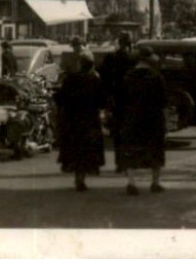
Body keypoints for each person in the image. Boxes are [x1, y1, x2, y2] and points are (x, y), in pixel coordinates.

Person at [113, 48, 168, 194]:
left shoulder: (128, 77)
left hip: (132, 118)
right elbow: (163, 101)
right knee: (155, 150)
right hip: (153, 119)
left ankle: (132, 183)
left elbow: (120, 101)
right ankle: (155, 183)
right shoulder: (157, 77)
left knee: (132, 150)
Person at [54, 51, 107, 191]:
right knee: (87, 148)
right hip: (90, 119)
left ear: (80, 64)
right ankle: (82, 177)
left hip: (72, 119)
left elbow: (60, 98)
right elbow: (102, 101)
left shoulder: (71, 79)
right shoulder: (95, 80)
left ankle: (78, 176)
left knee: (75, 147)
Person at [100, 33, 137, 114]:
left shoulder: (111, 56)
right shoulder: (132, 57)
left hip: (115, 88)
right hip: (127, 90)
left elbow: (104, 74)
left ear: (120, 43)